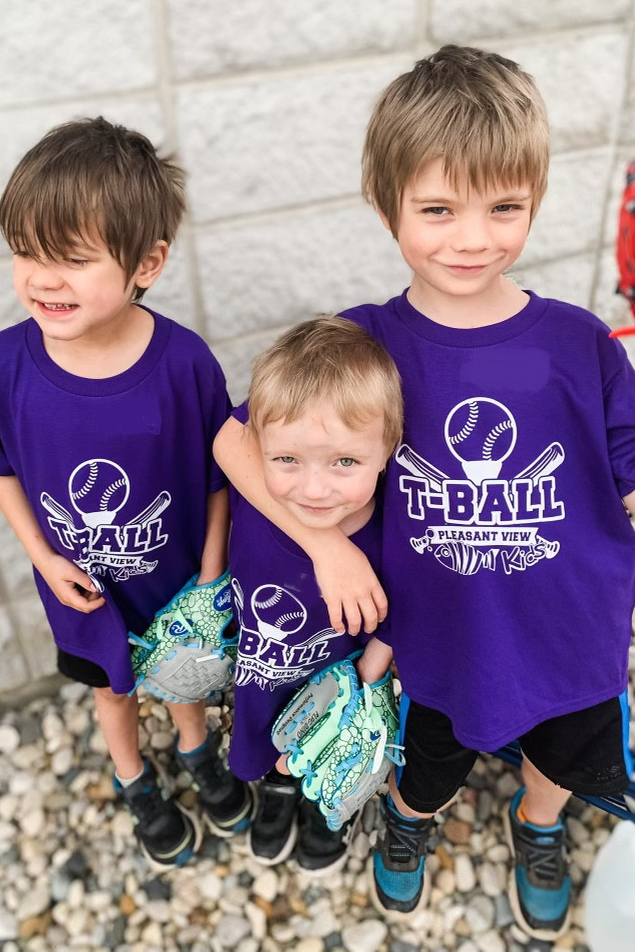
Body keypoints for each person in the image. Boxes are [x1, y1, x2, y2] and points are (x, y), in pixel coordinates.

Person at [214, 46, 635, 938]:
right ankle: (409, 824)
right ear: (386, 206)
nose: (472, 238)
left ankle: (535, 825)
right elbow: (234, 441)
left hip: (566, 631)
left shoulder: (576, 344)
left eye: (504, 208)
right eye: (437, 209)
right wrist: (324, 543)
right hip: (434, 636)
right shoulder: (362, 347)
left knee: (566, 754)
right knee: (426, 760)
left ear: (534, 199)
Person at [0, 117, 253, 873]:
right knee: (111, 689)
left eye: (73, 259)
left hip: (178, 580)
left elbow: (222, 473)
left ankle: (193, 751)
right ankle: (135, 781)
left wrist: (212, 572)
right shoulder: (0, 369)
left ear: (146, 262)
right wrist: (42, 559)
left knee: (181, 677)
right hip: (80, 588)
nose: (43, 279)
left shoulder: (182, 363)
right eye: (25, 252)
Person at [226, 317, 398, 873]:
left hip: (343, 682)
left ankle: (329, 803)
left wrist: (365, 686)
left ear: (388, 449)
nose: (315, 488)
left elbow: (408, 608)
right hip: (266, 667)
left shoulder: (394, 529)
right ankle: (279, 787)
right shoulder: (256, 501)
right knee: (272, 738)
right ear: (260, 446)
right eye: (288, 461)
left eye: (344, 462)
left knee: (330, 753)